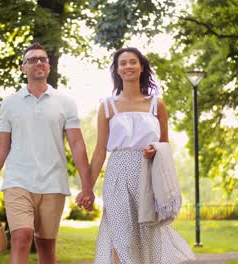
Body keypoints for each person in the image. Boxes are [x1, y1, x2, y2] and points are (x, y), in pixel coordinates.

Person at [0, 43, 95, 264]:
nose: (39, 62)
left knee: (46, 248)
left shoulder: (65, 102)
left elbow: (77, 144)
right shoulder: (10, 103)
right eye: (33, 59)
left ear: (48, 66)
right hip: (18, 181)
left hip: (53, 183)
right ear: (22, 68)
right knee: (21, 236)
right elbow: (1, 148)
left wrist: (87, 186)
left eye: (43, 59)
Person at [87, 47, 195, 263]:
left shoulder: (157, 105)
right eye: (123, 63)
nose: (128, 66)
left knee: (149, 233)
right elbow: (100, 150)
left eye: (132, 62)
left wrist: (154, 149)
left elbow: (164, 145)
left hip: (147, 173)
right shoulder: (107, 107)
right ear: (117, 70)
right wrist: (87, 187)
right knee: (120, 235)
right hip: (117, 174)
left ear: (141, 67)